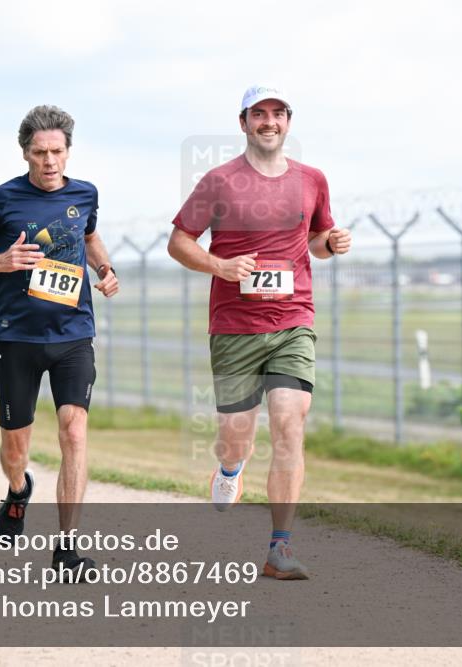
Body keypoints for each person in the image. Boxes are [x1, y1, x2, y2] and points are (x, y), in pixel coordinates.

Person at [167, 85, 352, 580]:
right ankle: (231, 470)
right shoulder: (219, 181)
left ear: (288, 121)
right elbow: (179, 243)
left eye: (278, 113)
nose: (269, 121)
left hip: (294, 319)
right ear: (244, 122)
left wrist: (331, 243)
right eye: (259, 114)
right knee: (236, 437)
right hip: (234, 326)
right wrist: (219, 266)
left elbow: (314, 241)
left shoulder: (313, 180)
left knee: (290, 422)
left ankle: (279, 548)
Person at [0, 104, 119, 575]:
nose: (49, 162)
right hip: (18, 338)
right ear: (25, 152)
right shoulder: (2, 198)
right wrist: (0, 262)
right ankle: (19, 490)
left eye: (57, 152)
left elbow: (88, 237)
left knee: (73, 431)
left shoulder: (86, 193)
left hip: (73, 334)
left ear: (68, 152)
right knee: (15, 450)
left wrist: (104, 270)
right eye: (40, 152)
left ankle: (67, 548)